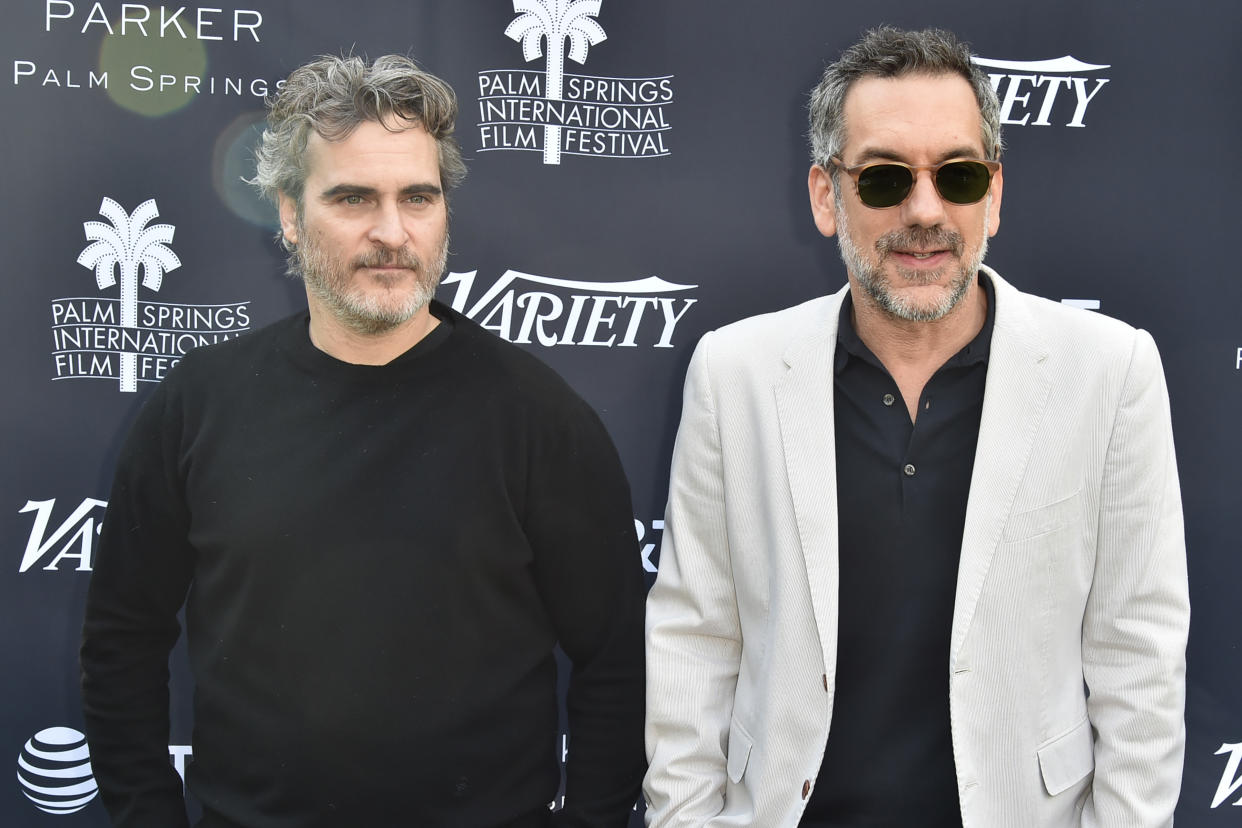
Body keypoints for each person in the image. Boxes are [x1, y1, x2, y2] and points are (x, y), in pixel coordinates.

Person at [643, 26, 1188, 828]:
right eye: (885, 178)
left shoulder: (1110, 373)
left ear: (994, 195)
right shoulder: (736, 374)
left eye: (958, 175)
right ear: (827, 197)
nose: (925, 210)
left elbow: (1139, 662)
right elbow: (696, 639)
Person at [80, 54, 645, 828]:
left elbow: (618, 661)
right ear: (288, 212)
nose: (392, 231)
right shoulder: (196, 406)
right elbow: (122, 643)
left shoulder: (539, 419)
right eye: (352, 197)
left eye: (418, 196)